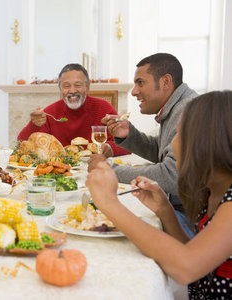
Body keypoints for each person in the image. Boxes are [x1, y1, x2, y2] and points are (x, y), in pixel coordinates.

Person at [86, 90, 232, 299]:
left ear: (208, 142)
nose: (172, 144)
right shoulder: (211, 191)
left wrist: (109, 202)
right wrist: (165, 210)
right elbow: (193, 252)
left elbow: (186, 266)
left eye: (180, 134)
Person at [90, 53, 198, 216]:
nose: (133, 92)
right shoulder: (177, 107)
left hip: (188, 217)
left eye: (140, 83)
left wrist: (110, 170)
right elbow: (162, 152)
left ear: (165, 82)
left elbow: (171, 175)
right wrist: (129, 135)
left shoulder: (187, 111)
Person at [17, 63, 130, 157]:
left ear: (87, 87)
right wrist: (34, 124)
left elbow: (127, 144)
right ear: (60, 89)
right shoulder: (51, 113)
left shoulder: (104, 108)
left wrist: (110, 148)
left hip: (96, 168)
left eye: (78, 85)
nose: (72, 91)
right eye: (66, 86)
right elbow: (20, 143)